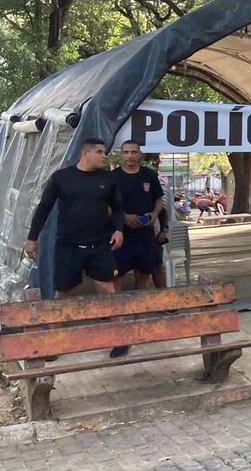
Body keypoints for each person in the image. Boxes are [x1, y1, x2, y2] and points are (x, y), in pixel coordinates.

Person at [24, 137, 126, 358]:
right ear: (85, 154)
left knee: (106, 288)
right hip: (68, 246)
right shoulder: (62, 178)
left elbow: (118, 209)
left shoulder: (108, 179)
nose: (104, 155)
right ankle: (53, 342)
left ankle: (121, 337)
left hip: (99, 244)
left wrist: (119, 229)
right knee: (63, 293)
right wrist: (32, 238)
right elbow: (43, 208)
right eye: (99, 151)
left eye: (104, 152)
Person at [111, 140, 165, 294]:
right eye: (126, 152)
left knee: (143, 275)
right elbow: (106, 206)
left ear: (140, 154)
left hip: (145, 235)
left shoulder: (149, 175)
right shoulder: (112, 177)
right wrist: (124, 217)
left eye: (134, 152)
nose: (130, 156)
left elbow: (159, 200)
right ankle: (117, 314)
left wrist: (154, 214)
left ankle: (140, 314)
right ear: (121, 154)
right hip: (120, 236)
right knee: (117, 276)